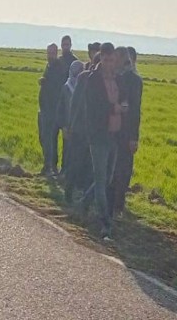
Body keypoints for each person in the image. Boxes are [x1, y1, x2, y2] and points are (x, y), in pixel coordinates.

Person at [79, 43, 125, 240]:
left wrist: (122, 107)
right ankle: (105, 222)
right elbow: (94, 108)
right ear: (101, 59)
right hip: (98, 135)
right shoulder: (93, 80)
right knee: (100, 179)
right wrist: (114, 108)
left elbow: (123, 100)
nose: (108, 63)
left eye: (111, 60)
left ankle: (83, 203)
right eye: (105, 60)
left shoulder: (117, 79)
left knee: (106, 177)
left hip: (114, 134)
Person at [109, 47, 142, 216]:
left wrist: (133, 137)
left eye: (116, 58)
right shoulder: (115, 76)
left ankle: (118, 206)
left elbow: (135, 110)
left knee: (123, 169)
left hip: (126, 132)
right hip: (112, 129)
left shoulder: (134, 80)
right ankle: (110, 203)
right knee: (111, 167)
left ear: (123, 59)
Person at [65, 52, 100, 202]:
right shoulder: (84, 77)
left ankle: (84, 197)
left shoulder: (109, 81)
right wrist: (71, 125)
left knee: (89, 166)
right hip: (80, 129)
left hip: (94, 132)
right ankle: (69, 192)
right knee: (75, 162)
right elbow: (75, 104)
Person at [38, 43, 66, 175]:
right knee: (45, 138)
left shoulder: (58, 67)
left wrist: (45, 82)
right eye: (48, 53)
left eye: (52, 53)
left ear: (56, 53)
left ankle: (50, 166)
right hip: (45, 107)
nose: (50, 55)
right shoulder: (49, 66)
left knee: (50, 139)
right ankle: (48, 165)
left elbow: (57, 88)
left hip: (53, 109)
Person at [56, 60, 85, 176]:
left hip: (80, 126)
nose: (78, 73)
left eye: (80, 71)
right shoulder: (66, 87)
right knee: (67, 150)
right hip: (68, 125)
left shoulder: (84, 86)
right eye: (76, 71)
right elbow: (61, 108)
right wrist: (63, 126)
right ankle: (64, 172)